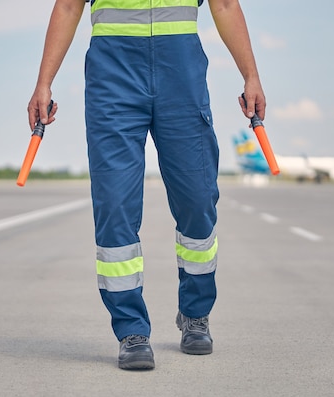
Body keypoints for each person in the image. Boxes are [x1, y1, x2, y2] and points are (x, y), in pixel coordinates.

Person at [27, 0, 266, 370]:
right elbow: (69, 7)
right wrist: (44, 83)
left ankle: (195, 314)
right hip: (114, 80)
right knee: (115, 205)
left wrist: (250, 75)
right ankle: (131, 331)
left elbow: (224, 5)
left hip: (181, 77)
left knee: (198, 199)